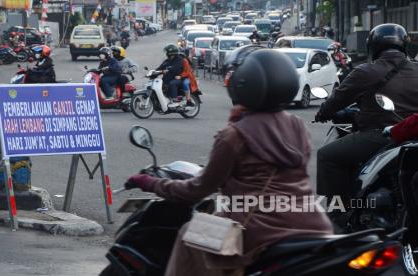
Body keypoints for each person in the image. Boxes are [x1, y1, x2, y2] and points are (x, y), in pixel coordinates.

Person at [126, 48, 333, 276]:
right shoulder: (297, 126)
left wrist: (148, 182)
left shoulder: (234, 135)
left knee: (188, 232)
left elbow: (197, 190)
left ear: (244, 84)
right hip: (314, 225)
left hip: (258, 232)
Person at [315, 23, 418, 208]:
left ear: (374, 46)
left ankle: (339, 211)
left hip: (380, 136)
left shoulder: (365, 71)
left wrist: (323, 114)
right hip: (413, 136)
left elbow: (337, 100)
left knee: (327, 156)